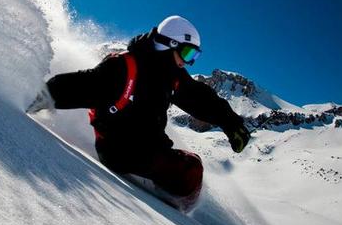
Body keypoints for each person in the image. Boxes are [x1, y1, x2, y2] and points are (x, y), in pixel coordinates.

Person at [27, 15, 251, 210]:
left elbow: (199, 97)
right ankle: (177, 207)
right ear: (169, 44)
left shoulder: (170, 75)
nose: (188, 62)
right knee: (191, 170)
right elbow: (80, 85)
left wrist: (230, 122)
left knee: (190, 165)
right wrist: (33, 98)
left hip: (148, 149)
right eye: (187, 52)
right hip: (120, 151)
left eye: (194, 55)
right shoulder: (124, 68)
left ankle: (167, 193)